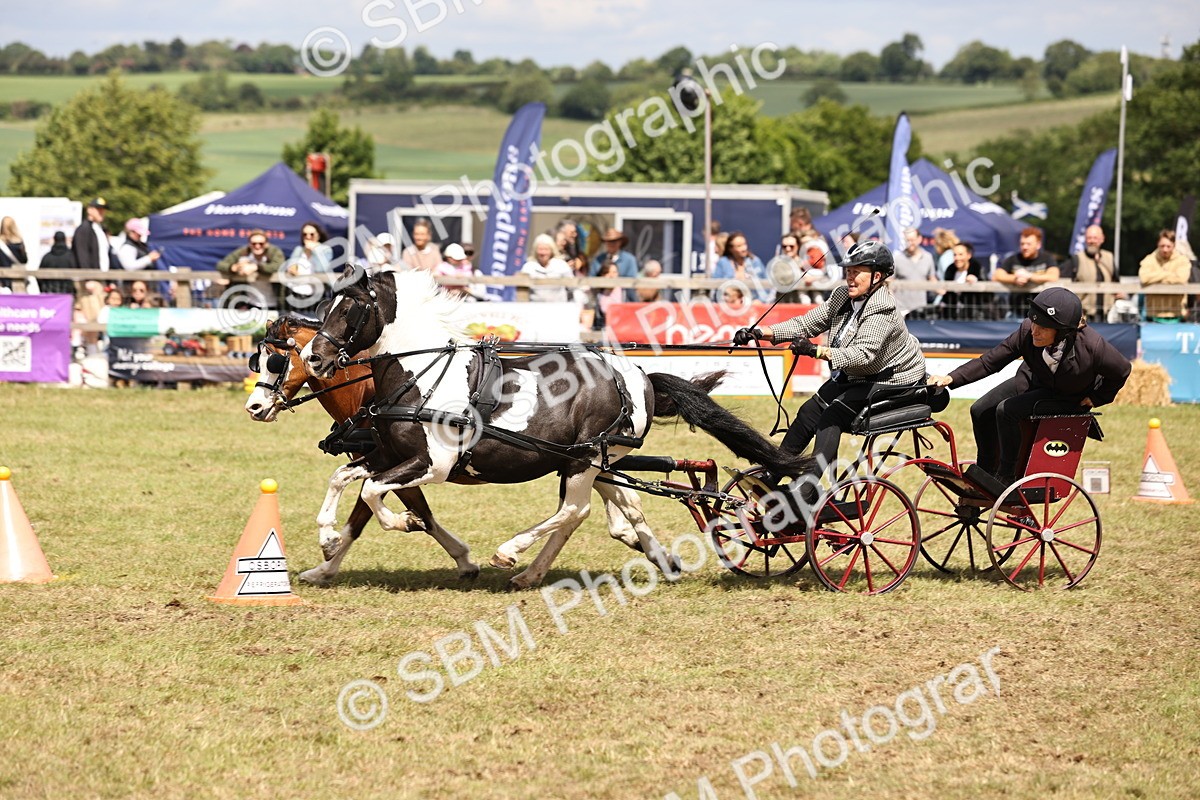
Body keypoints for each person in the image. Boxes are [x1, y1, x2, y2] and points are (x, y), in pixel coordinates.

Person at [732, 240, 927, 494]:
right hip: (860, 376)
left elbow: (863, 355)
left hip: (895, 379)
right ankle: (774, 471)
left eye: (857, 272)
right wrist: (760, 332)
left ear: (877, 276)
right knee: (809, 411)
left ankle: (807, 489)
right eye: (848, 271)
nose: (850, 278)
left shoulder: (883, 309)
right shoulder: (841, 297)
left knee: (833, 414)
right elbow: (807, 323)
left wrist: (816, 351)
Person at [927, 287, 1131, 485]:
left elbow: (1122, 370)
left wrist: (1098, 397)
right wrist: (951, 378)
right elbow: (990, 361)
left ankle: (1006, 476)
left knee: (1007, 411)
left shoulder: (1092, 346)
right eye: (1033, 322)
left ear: (1062, 331)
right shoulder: (1027, 330)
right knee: (979, 410)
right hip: (1032, 380)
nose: (1034, 331)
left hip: (1066, 396)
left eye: (1043, 327)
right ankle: (985, 472)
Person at [994, 227, 1059, 318]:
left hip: (1042, 312)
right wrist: (1015, 278)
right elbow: (997, 275)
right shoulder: (1013, 259)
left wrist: (1030, 276)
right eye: (1022, 244)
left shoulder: (1047, 258)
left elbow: (1053, 276)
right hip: (1016, 311)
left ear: (1038, 245)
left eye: (1028, 244)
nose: (1024, 247)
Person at [1060, 225, 1121, 322]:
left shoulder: (1109, 257)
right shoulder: (1076, 259)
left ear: (1102, 239)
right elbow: (1062, 282)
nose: (1092, 241)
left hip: (1107, 315)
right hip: (1084, 316)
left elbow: (1116, 281)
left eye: (1095, 238)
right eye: (1089, 238)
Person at [216, 229, 285, 307]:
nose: (257, 246)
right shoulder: (243, 252)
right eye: (254, 243)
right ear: (249, 244)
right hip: (250, 303)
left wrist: (256, 267)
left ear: (266, 244)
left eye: (261, 243)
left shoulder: (274, 251)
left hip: (274, 303)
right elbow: (220, 264)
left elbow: (278, 266)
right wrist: (234, 268)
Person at [1138, 229, 1191, 320]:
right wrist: (1168, 274)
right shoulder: (1149, 259)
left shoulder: (1183, 260)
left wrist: (1155, 278)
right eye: (1162, 246)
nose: (1165, 249)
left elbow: (1182, 278)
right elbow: (1144, 278)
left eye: (1168, 246)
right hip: (1153, 314)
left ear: (1174, 246)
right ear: (1157, 245)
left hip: (1176, 314)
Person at [283, 221, 334, 306]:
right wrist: (292, 269)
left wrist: (315, 250)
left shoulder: (326, 249)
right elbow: (290, 267)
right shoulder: (299, 249)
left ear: (318, 235)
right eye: (305, 234)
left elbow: (320, 269)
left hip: (317, 294)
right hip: (296, 292)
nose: (308, 237)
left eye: (312, 234)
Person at [891, 227, 936, 318]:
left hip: (921, 308)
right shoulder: (897, 258)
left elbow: (932, 278)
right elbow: (890, 282)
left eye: (913, 240)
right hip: (902, 309)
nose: (910, 243)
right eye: (907, 240)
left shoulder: (928, 257)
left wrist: (942, 288)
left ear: (919, 239)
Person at [714, 231, 771, 302]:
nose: (744, 248)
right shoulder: (723, 262)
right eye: (739, 246)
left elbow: (767, 285)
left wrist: (760, 301)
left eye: (744, 244)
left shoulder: (754, 261)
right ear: (731, 249)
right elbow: (715, 287)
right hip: (729, 305)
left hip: (754, 304)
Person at [520, 234, 574, 302]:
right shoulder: (528, 267)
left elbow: (572, 287)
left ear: (551, 250)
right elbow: (521, 291)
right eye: (540, 249)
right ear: (535, 251)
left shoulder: (561, 266)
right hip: (535, 308)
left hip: (559, 308)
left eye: (546, 249)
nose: (543, 253)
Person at [939, 241, 985, 320]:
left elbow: (987, 292)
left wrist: (976, 282)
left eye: (960, 254)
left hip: (973, 316)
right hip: (952, 316)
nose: (957, 258)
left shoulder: (978, 270)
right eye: (955, 255)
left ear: (968, 255)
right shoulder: (950, 271)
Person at [72, 197, 116, 273]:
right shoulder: (84, 229)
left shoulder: (102, 229)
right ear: (89, 210)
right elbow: (82, 255)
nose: (101, 212)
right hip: (91, 278)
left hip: (104, 275)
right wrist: (89, 277)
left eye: (103, 210)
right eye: (98, 209)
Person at [37, 231, 77, 295]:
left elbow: (39, 276)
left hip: (50, 293)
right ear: (65, 239)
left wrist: (43, 290)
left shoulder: (47, 257)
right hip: (68, 293)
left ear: (54, 239)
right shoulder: (71, 256)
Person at [0, 216, 28, 292]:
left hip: (3, 279)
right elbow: (24, 260)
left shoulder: (1, 243)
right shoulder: (19, 242)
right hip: (18, 279)